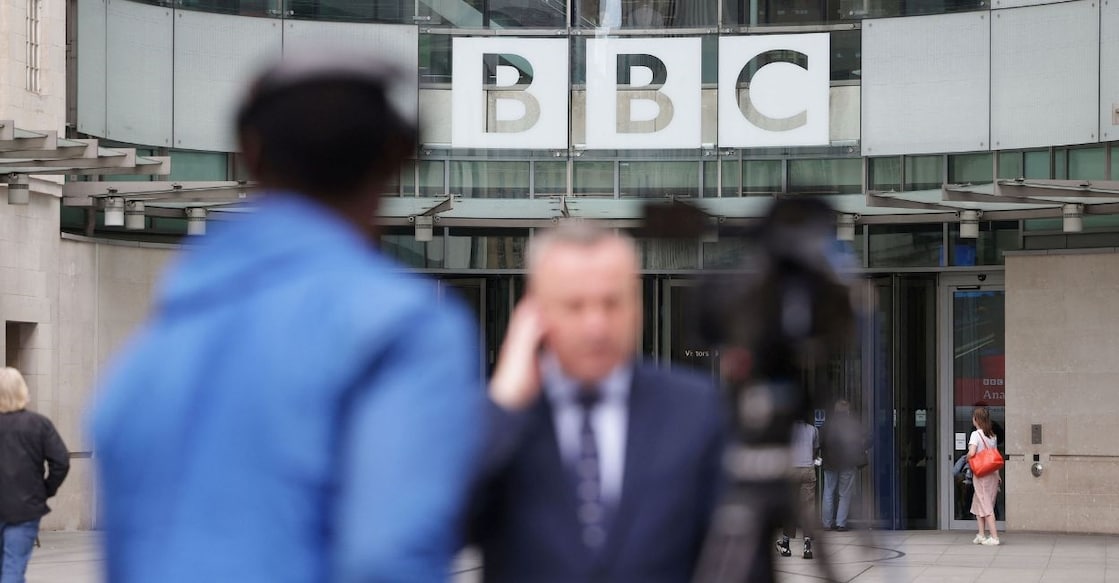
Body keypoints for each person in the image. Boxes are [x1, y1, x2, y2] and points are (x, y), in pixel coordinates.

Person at [89, 54, 484, 582]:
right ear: (400, 157)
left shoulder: (152, 350)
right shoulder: (401, 327)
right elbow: (388, 558)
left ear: (250, 155)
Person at [472, 224, 726, 583]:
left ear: (637, 304)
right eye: (575, 305)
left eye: (612, 302)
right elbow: (440, 527)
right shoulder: (505, 420)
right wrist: (503, 405)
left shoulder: (695, 409)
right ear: (535, 309)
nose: (596, 326)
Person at [0, 367, 70, 583]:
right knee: (13, 568)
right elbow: (61, 462)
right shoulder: (39, 424)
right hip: (26, 508)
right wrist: (45, 490)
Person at [819, 399, 865, 532]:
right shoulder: (852, 424)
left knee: (828, 492)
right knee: (844, 494)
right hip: (847, 462)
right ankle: (841, 523)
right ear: (848, 411)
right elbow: (863, 439)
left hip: (830, 462)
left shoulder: (828, 424)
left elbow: (820, 442)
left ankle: (827, 524)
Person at [776, 417, 819, 560]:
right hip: (808, 469)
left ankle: (786, 544)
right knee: (808, 508)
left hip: (792, 469)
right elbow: (815, 449)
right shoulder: (813, 429)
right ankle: (807, 545)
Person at [968, 406, 1001, 546]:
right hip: (992, 473)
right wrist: (998, 475)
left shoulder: (975, 435)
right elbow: (995, 457)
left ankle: (994, 537)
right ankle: (981, 534)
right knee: (978, 502)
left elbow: (972, 452)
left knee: (986, 504)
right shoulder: (992, 435)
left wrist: (966, 457)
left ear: (976, 419)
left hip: (981, 473)